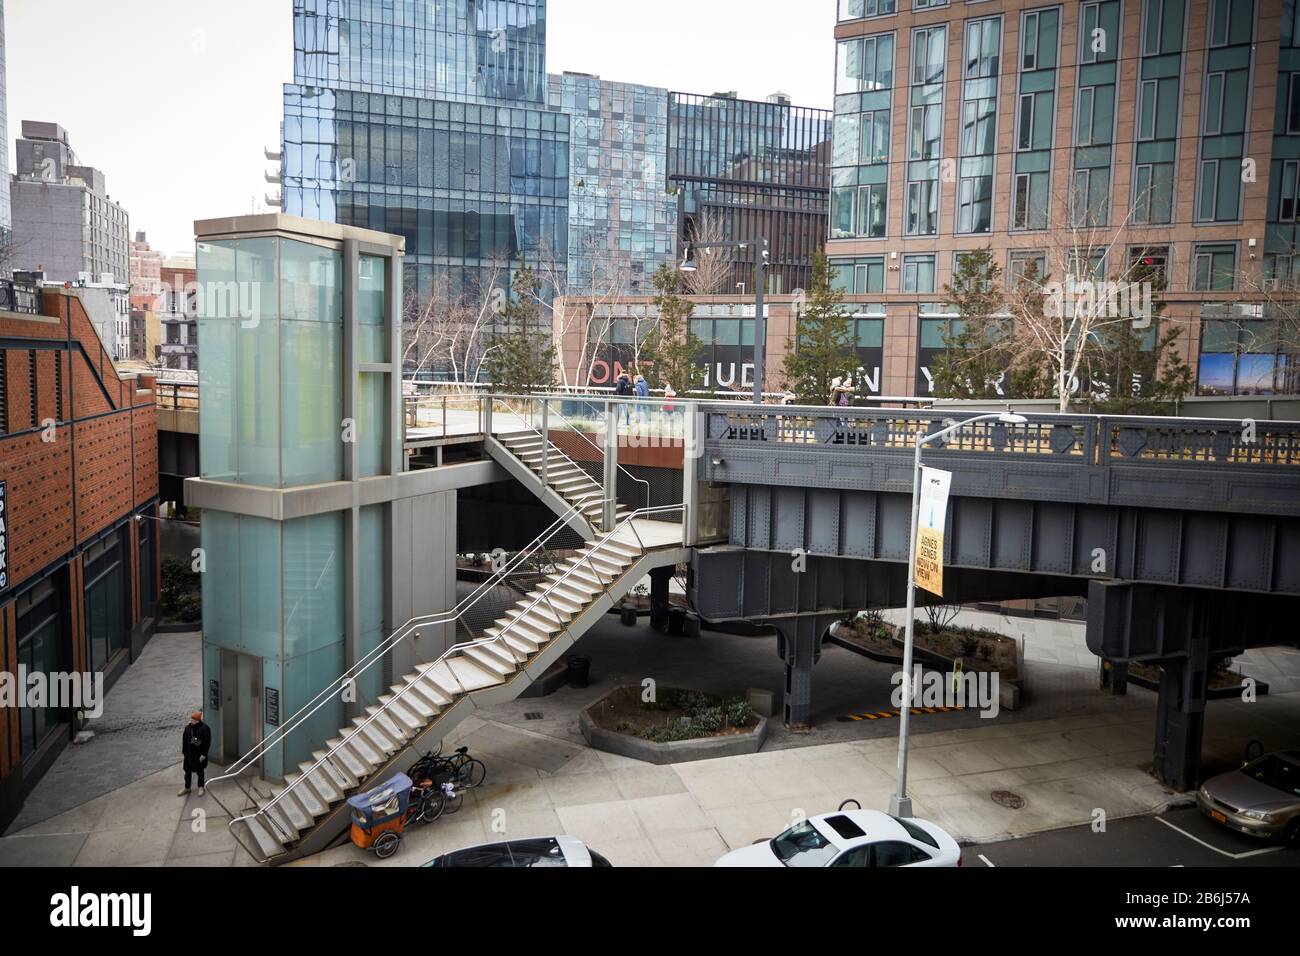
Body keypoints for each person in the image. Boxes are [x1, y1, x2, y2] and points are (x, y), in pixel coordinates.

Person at [178, 710, 211, 797]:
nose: (191, 721)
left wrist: (204, 754)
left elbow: (207, 743)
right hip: (188, 755)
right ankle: (187, 787)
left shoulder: (205, 729)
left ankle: (201, 787)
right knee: (187, 772)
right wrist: (184, 752)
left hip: (198, 755)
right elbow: (184, 741)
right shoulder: (187, 728)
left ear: (197, 720)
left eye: (193, 720)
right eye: (191, 719)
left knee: (200, 772)